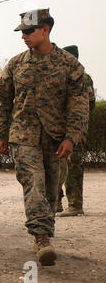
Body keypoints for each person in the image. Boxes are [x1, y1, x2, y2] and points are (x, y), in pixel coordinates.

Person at [0, 9, 89, 266]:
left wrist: (71, 137)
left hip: (57, 139)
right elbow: (3, 103)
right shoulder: (15, 65)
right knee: (33, 184)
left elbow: (79, 105)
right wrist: (0, 135)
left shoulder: (71, 66)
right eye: (21, 32)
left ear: (45, 29)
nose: (23, 36)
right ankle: (42, 238)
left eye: (28, 31)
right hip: (25, 137)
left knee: (51, 191)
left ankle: (44, 233)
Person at [57, 45, 96, 217]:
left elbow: (88, 105)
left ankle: (75, 205)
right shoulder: (63, 76)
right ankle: (55, 202)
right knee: (55, 163)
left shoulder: (82, 78)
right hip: (59, 129)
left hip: (75, 130)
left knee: (73, 165)